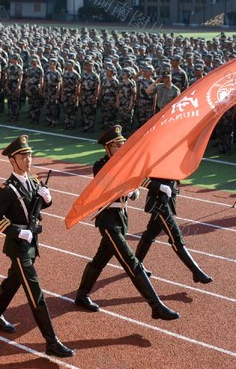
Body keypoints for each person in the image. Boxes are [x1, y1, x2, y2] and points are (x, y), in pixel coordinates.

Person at [74, 126, 180, 320]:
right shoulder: (100, 165)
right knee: (132, 263)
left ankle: (82, 294)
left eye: (123, 144)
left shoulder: (125, 164)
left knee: (100, 259)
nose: (122, 148)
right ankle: (156, 306)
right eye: (117, 145)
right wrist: (126, 187)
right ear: (108, 148)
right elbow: (109, 182)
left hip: (120, 219)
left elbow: (135, 185)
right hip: (108, 220)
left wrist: (134, 190)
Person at [0, 135, 74, 358]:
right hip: (18, 245)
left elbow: (36, 209)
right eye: (23, 156)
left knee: (14, 279)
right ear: (12, 160)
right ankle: (51, 341)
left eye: (30, 155)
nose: (28, 160)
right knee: (35, 290)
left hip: (32, 242)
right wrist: (18, 231)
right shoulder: (6, 189)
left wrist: (47, 199)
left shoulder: (34, 182)